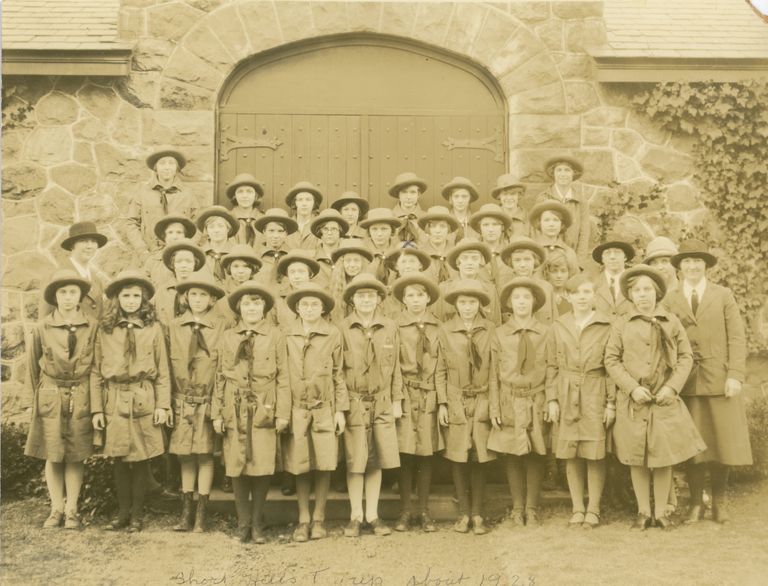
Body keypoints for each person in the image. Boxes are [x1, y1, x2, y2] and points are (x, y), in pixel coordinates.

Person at [604, 265, 705, 530]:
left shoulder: (671, 321)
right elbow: (611, 359)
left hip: (664, 400)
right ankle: (643, 511)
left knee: (663, 457)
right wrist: (632, 388)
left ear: (657, 292)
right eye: (637, 290)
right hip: (634, 402)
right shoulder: (622, 324)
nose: (643, 295)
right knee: (636, 457)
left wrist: (672, 387)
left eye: (647, 289)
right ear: (630, 295)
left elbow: (685, 357)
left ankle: (661, 512)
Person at [664, 239, 751, 524]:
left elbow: (736, 337)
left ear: (705, 265)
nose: (692, 266)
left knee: (721, 443)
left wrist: (735, 375)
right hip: (686, 382)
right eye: (687, 261)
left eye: (697, 261)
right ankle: (695, 504)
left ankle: (719, 503)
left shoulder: (722, 295)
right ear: (680, 267)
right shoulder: (670, 299)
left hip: (720, 381)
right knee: (694, 446)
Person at [91, 270, 171, 532]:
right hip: (114, 398)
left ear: (143, 299)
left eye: (136, 296)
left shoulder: (153, 328)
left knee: (141, 458)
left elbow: (163, 370)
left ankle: (137, 514)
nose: (131, 301)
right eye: (126, 296)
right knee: (119, 458)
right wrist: (97, 409)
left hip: (143, 397)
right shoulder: (105, 329)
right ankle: (122, 513)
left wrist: (162, 405)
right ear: (117, 299)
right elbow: (95, 371)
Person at [211, 281, 290, 544]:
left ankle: (257, 523)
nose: (252, 308)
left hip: (264, 406)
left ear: (265, 307)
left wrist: (282, 413)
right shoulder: (228, 337)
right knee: (237, 465)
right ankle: (242, 523)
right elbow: (220, 376)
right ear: (239, 308)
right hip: (233, 406)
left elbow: (283, 376)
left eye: (257, 303)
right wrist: (217, 413)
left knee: (262, 465)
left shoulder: (275, 335)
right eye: (247, 303)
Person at [24, 270, 98, 529]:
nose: (68, 297)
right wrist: (34, 400)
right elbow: (32, 366)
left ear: (80, 296)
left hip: (81, 394)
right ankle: (56, 509)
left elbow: (97, 367)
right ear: (55, 297)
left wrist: (96, 404)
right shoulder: (42, 327)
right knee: (53, 453)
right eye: (62, 292)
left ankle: (72, 510)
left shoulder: (92, 325)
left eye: (73, 292)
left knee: (76, 454)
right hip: (51, 394)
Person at [545, 273, 613, 528]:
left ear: (594, 296)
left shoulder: (607, 324)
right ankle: (577, 508)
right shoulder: (558, 325)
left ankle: (593, 508)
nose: (582, 297)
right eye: (576, 293)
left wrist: (611, 403)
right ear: (568, 296)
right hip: (565, 391)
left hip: (596, 391)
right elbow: (551, 365)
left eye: (586, 292)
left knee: (594, 452)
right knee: (571, 451)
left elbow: (611, 366)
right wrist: (552, 399)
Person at [281, 283, 348, 542]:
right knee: (301, 464)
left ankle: (319, 518)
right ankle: (303, 519)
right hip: (297, 408)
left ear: (323, 309)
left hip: (324, 408)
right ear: (297, 308)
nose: (310, 309)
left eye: (315, 305)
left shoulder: (332, 334)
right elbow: (281, 374)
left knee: (324, 463)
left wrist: (340, 410)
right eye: (305, 305)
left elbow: (338, 373)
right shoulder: (287, 334)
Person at [340, 274, 403, 537]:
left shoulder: (390, 327)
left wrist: (397, 400)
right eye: (360, 296)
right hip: (354, 401)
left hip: (382, 401)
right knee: (356, 460)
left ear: (378, 299)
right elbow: (337, 371)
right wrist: (341, 406)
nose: (366, 300)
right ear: (352, 300)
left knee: (376, 460)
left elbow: (396, 367)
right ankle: (355, 516)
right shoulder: (343, 328)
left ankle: (373, 515)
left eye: (371, 296)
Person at [167, 273, 227, 533]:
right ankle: (186, 512)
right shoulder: (174, 326)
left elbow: (223, 367)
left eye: (204, 295)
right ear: (185, 297)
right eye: (193, 294)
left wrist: (218, 403)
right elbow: (167, 366)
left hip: (208, 398)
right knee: (185, 455)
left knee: (204, 454)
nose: (198, 299)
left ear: (212, 299)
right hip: (182, 399)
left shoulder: (221, 327)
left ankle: (202, 513)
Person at [436, 279, 497, 535]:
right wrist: (442, 402)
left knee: (480, 455)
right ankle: (463, 513)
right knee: (459, 455)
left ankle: (478, 513)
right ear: (456, 305)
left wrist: (494, 404)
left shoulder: (490, 329)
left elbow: (495, 369)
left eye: (473, 302)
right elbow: (440, 369)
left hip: (483, 397)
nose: (468, 307)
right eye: (463, 302)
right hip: (456, 398)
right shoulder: (445, 330)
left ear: (480, 304)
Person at [488, 277, 550, 528]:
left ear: (534, 302)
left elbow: (552, 368)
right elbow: (493, 373)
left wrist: (551, 400)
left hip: (537, 397)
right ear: (509, 303)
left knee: (535, 451)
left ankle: (532, 508)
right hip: (509, 398)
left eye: (526, 297)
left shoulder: (546, 332)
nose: (521, 302)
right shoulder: (499, 333)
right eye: (516, 298)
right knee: (513, 452)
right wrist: (494, 406)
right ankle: (517, 508)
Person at [391, 274, 444, 533]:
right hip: (406, 391)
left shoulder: (438, 327)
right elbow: (393, 365)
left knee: (426, 452)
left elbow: (442, 365)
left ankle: (423, 510)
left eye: (420, 295)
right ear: (403, 299)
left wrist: (441, 400)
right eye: (410, 296)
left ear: (428, 298)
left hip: (429, 393)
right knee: (406, 452)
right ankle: (405, 510)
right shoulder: (395, 326)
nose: (415, 300)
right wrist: (397, 398)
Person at [124, 148, 195, 257]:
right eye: (162, 163)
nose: (167, 167)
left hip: (179, 254)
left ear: (177, 168)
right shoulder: (142, 193)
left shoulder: (187, 194)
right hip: (151, 253)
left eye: (171, 163)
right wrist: (142, 250)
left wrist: (188, 247)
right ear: (155, 168)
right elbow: (131, 223)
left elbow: (198, 224)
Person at [40, 221, 108, 321]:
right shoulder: (56, 276)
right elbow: (44, 320)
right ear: (72, 246)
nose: (89, 246)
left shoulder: (96, 279)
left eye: (93, 241)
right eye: (84, 241)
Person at [535, 156, 591, 264]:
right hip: (549, 255)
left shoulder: (581, 201)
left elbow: (584, 233)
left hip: (572, 255)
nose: (563, 174)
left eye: (567, 170)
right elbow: (537, 230)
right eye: (559, 170)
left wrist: (579, 262)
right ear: (553, 173)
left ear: (573, 173)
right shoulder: (543, 198)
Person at [433, 239, 501, 325]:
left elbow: (496, 324)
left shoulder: (490, 289)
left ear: (480, 262)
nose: (470, 263)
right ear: (458, 262)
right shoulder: (444, 289)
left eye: (475, 258)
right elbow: (438, 323)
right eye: (464, 258)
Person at [498, 237, 557, 325]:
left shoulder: (547, 288)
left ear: (535, 261)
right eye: (517, 260)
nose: (522, 265)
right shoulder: (505, 290)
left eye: (527, 259)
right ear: (511, 263)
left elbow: (555, 322)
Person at [153, 239, 207, 327]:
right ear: (173, 264)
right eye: (179, 261)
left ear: (195, 264)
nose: (183, 265)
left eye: (188, 261)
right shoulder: (162, 292)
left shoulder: (203, 291)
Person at [591, 232, 635, 322]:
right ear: (602, 259)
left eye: (617, 252)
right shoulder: (593, 284)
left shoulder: (634, 282)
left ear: (625, 257)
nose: (612, 257)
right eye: (607, 253)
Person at [470, 203, 514, 288]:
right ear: (480, 228)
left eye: (495, 224)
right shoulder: (472, 254)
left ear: (502, 227)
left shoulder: (511, 253)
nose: (490, 229)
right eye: (486, 225)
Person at [329, 239, 373, 323]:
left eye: (356, 260)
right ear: (342, 263)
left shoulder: (371, 286)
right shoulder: (333, 290)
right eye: (348, 260)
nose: (352, 265)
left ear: (362, 263)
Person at [144, 215, 197, 286]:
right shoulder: (153, 261)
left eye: (179, 232)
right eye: (170, 232)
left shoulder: (195, 259)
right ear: (164, 236)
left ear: (185, 236)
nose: (174, 237)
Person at [273, 249, 321, 326]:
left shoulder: (320, 297)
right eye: (292, 272)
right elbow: (272, 327)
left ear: (310, 274)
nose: (296, 276)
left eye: (301, 271)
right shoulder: (278, 299)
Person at [529, 201, 579, 273]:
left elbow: (574, 277)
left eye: (556, 220)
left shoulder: (569, 252)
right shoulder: (532, 250)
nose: (551, 224)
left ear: (562, 225)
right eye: (546, 220)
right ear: (540, 223)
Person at [253, 208, 299, 285]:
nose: (275, 236)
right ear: (264, 232)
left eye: (280, 231)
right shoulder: (255, 258)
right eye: (271, 231)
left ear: (286, 233)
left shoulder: (294, 257)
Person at [196, 205, 239, 285]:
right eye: (211, 227)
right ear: (206, 230)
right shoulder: (198, 255)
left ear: (228, 229)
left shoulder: (236, 253)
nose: (216, 230)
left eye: (220, 226)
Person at [417, 205, 460, 283]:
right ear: (427, 229)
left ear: (448, 229)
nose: (438, 231)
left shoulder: (457, 255)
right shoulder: (419, 256)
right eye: (433, 226)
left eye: (442, 226)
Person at [359, 208, 402, 284]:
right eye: (374, 229)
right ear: (369, 232)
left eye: (384, 229)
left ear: (392, 230)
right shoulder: (361, 253)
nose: (379, 234)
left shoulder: (400, 252)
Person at [310, 209, 350, 289]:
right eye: (325, 229)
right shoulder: (311, 259)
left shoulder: (348, 257)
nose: (329, 233)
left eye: (334, 229)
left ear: (339, 232)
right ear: (320, 232)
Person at [224, 173, 264, 247]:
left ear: (255, 195)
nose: (245, 196)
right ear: (234, 195)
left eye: (249, 191)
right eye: (240, 191)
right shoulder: (226, 220)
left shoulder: (263, 220)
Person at [389, 172, 427, 244]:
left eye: (412, 192)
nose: (408, 197)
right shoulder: (389, 218)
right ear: (398, 194)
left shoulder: (426, 218)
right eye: (404, 192)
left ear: (418, 194)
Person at [285, 181, 322, 251]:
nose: (304, 204)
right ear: (294, 203)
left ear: (314, 203)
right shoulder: (287, 226)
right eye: (300, 200)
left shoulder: (319, 226)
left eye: (308, 199)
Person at [490, 173, 530, 240]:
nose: (509, 198)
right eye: (505, 194)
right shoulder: (493, 217)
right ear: (499, 196)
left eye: (512, 194)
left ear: (519, 195)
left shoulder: (528, 218)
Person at [442, 176, 480, 242]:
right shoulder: (444, 223)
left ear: (470, 198)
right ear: (451, 198)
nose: (460, 201)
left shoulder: (476, 224)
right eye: (456, 196)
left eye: (464, 196)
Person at [541, 250, 577, 318]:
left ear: (569, 273)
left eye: (563, 271)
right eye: (554, 271)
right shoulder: (542, 297)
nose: (559, 276)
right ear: (547, 273)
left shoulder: (574, 297)